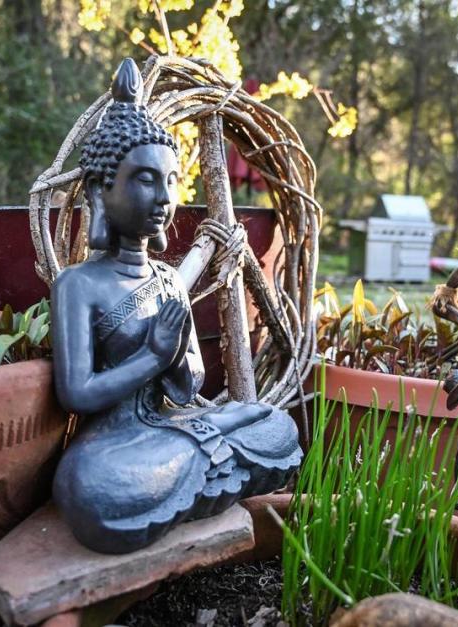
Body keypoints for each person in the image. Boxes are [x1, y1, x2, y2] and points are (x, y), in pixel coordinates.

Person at [50, 58, 302, 554]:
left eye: (169, 181)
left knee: (274, 426)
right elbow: (76, 394)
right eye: (145, 179)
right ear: (104, 189)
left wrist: (177, 355)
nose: (164, 196)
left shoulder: (167, 280)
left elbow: (186, 390)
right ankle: (200, 474)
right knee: (91, 486)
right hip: (114, 449)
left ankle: (192, 471)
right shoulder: (78, 284)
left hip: (172, 430)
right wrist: (151, 354)